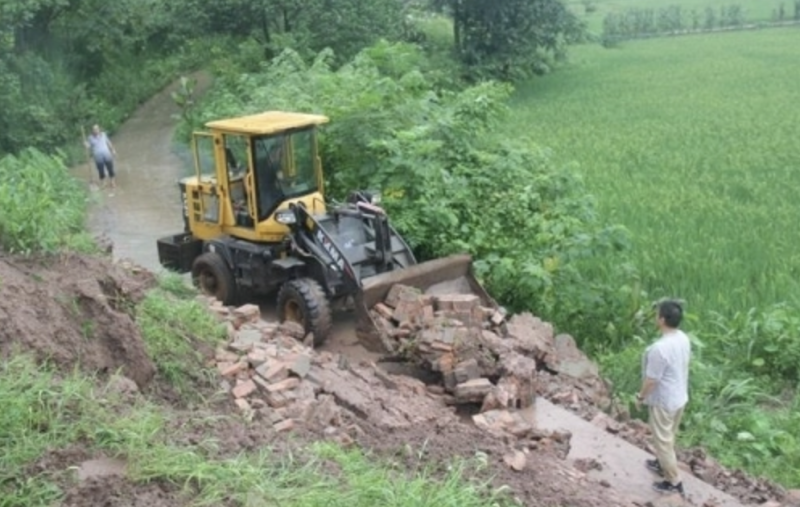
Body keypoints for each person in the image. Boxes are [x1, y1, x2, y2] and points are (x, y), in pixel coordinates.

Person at [636, 299, 691, 496]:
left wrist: (641, 397)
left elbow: (652, 380)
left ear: (661, 320)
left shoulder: (659, 349)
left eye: (657, 314)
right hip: (679, 397)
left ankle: (674, 481)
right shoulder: (683, 338)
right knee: (670, 436)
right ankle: (661, 464)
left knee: (663, 441)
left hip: (664, 401)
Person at [84, 124, 117, 189]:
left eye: (97, 129)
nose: (95, 130)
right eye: (94, 129)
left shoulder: (103, 135)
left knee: (110, 168)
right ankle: (103, 183)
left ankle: (112, 182)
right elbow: (88, 146)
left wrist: (113, 150)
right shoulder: (90, 138)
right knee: (101, 170)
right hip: (98, 157)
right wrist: (85, 144)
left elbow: (109, 143)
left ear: (99, 129)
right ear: (92, 131)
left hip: (107, 154)